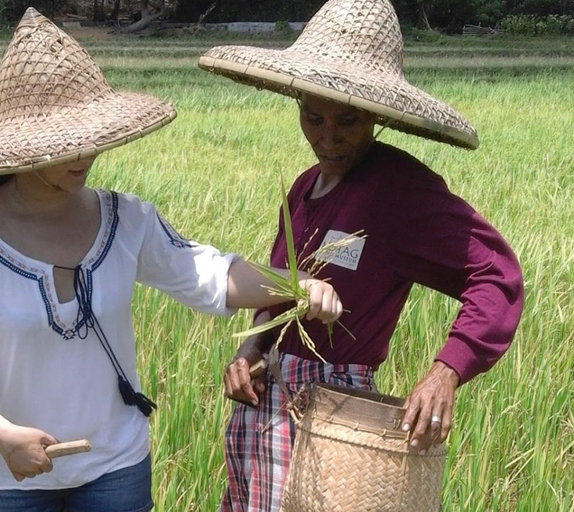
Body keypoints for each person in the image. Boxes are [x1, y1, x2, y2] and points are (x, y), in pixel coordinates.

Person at [0, 8, 345, 512]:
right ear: (24, 144)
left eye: (91, 138)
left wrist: (295, 284)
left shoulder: (125, 219)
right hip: (12, 477)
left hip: (116, 469)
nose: (85, 155)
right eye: (67, 143)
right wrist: (3, 436)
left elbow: (211, 276)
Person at [198, 0, 524, 510]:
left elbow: (497, 274)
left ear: (375, 114)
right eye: (313, 117)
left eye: (347, 121)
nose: (328, 137)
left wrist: (447, 371)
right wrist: (251, 351)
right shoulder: (303, 189)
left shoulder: (398, 191)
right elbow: (278, 295)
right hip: (263, 417)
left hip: (337, 423)